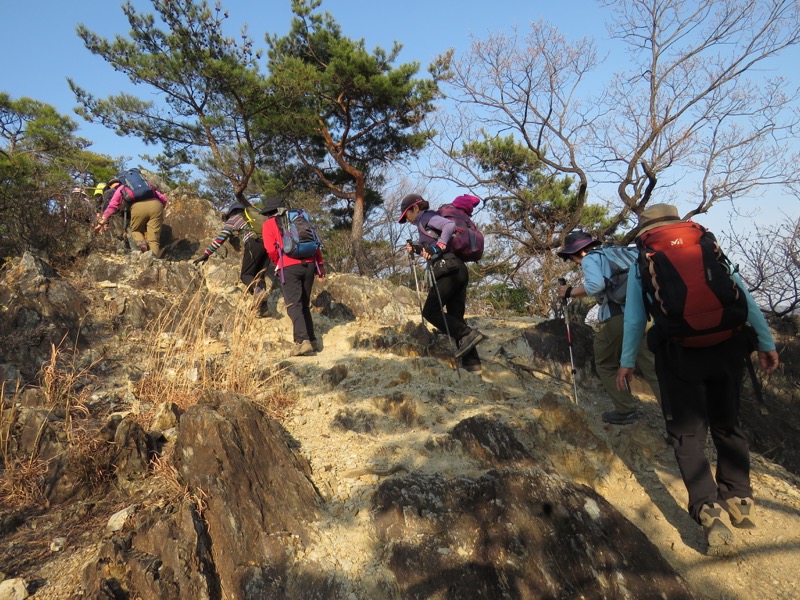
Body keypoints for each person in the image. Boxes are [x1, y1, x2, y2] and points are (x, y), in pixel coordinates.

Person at [615, 203, 780, 555]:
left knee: (687, 433)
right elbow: (745, 299)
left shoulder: (643, 261)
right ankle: (739, 498)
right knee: (728, 422)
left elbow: (633, 320)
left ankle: (708, 508)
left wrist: (627, 363)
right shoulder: (706, 246)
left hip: (680, 354)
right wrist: (766, 343)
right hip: (728, 347)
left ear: (644, 231)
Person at [557, 232, 662, 424]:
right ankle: (676, 417)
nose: (574, 263)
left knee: (605, 362)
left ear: (578, 253)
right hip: (647, 314)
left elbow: (595, 285)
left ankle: (626, 409)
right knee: (651, 365)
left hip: (619, 316)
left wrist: (570, 291)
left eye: (571, 258)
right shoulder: (617, 252)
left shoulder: (589, 259)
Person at [400, 193, 485, 372]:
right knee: (455, 318)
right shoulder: (426, 224)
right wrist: (418, 249)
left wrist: (437, 246)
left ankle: (468, 334)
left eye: (407, 214)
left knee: (430, 311)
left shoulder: (426, 217)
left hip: (449, 271)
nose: (407, 219)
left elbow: (449, 225)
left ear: (415, 208)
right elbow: (432, 248)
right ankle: (473, 365)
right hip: (459, 269)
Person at [261, 197, 325, 356]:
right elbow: (316, 242)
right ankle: (312, 340)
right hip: (310, 264)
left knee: (293, 304)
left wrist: (278, 262)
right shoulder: (299, 218)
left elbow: (270, 249)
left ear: (269, 212)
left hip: (289, 266)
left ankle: (302, 342)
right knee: (304, 303)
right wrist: (320, 265)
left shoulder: (269, 224)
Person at [193, 203, 274, 307]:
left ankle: (260, 294)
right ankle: (263, 308)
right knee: (259, 276)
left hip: (254, 243)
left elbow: (221, 237)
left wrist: (207, 253)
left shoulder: (234, 219)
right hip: (268, 245)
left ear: (231, 212)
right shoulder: (253, 217)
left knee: (246, 275)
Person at [96, 175, 168, 257]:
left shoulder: (122, 187)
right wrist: (159, 211)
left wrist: (103, 220)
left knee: (136, 230)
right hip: (156, 205)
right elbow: (164, 199)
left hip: (138, 207)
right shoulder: (146, 185)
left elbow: (112, 206)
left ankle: (142, 243)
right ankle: (155, 261)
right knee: (154, 239)